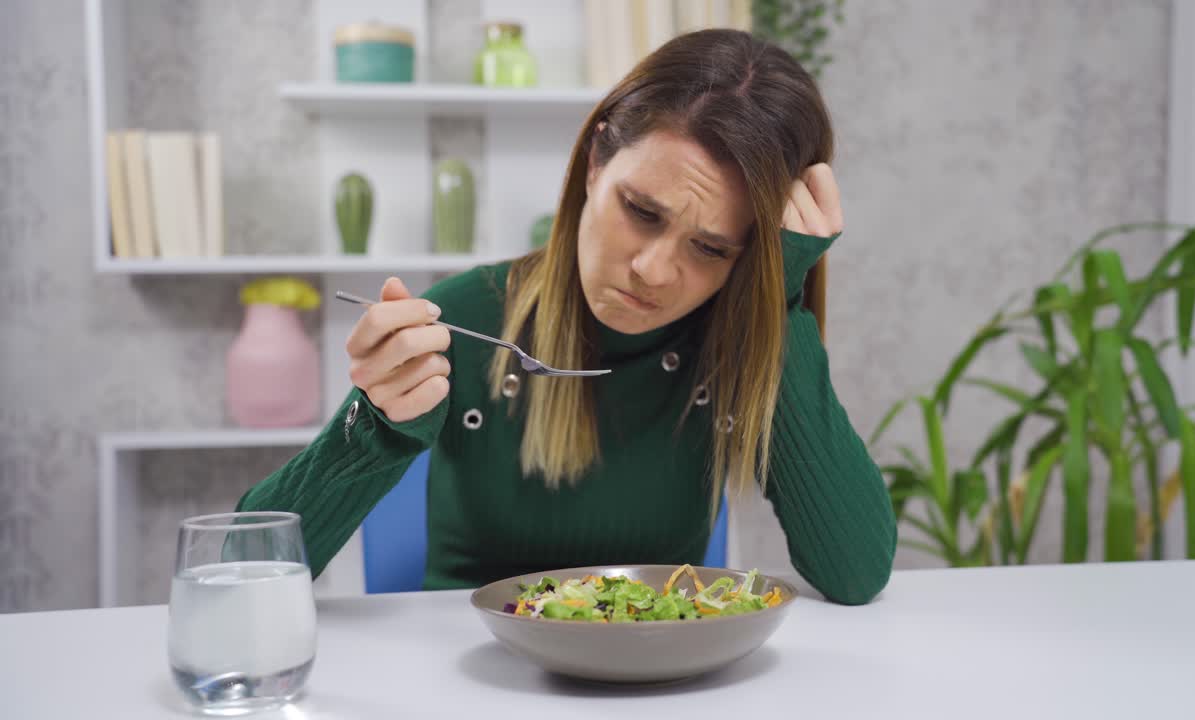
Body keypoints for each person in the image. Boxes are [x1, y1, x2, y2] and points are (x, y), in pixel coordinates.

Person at [238, 28, 896, 605]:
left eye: (711, 248)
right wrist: (373, 427)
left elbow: (855, 574)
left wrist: (777, 302)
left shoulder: (730, 339)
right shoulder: (465, 316)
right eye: (641, 211)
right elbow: (247, 570)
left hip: (664, 681)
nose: (654, 271)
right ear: (595, 162)